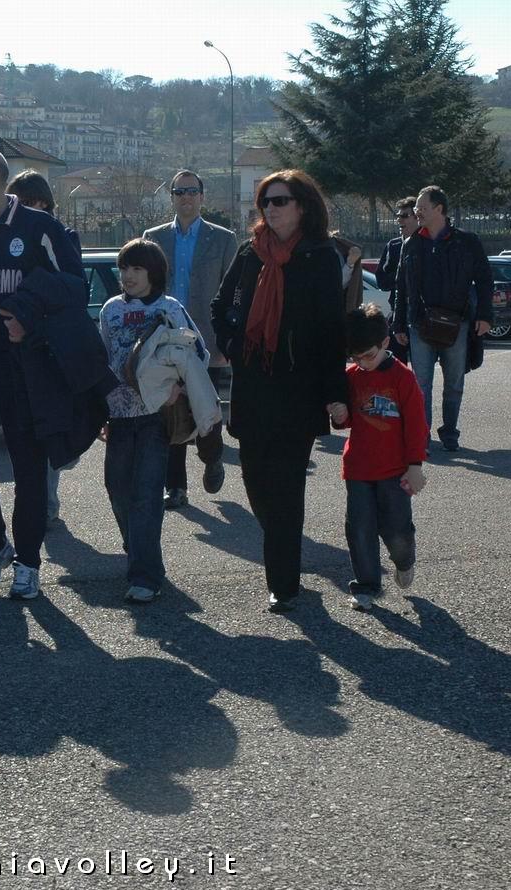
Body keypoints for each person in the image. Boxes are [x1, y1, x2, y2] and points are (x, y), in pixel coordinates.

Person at [0, 146, 84, 599]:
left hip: (28, 369)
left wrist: (30, 318)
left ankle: (27, 561)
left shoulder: (39, 229)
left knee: (29, 467)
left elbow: (75, 288)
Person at [211, 169, 348, 613]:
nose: (271, 208)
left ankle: (283, 583)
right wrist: (233, 345)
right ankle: (283, 552)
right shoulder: (252, 253)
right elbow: (220, 304)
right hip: (253, 385)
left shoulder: (322, 257)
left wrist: (336, 392)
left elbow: (331, 332)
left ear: (303, 206)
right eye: (265, 201)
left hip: (297, 387)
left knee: (287, 487)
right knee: (255, 482)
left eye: (280, 200)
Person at [99, 238, 214, 603]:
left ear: (154, 272)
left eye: (137, 268)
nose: (128, 275)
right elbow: (101, 358)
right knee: (117, 490)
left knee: (147, 496)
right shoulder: (110, 310)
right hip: (117, 416)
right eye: (124, 268)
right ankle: (138, 551)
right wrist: (100, 409)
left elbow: (198, 353)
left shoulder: (170, 308)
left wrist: (178, 388)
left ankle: (146, 575)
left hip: (155, 418)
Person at [142, 171, 236, 510]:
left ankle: (212, 458)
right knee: (171, 413)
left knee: (206, 413)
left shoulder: (223, 239)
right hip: (166, 343)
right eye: (179, 191)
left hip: (206, 343)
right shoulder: (152, 238)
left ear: (202, 197)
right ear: (171, 196)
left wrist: (226, 342)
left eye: (191, 191)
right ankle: (176, 487)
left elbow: (232, 296)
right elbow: (144, 289)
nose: (186, 197)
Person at [327, 304, 427, 612]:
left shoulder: (403, 379)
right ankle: (367, 585)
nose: (362, 363)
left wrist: (415, 466)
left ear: (384, 343)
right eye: (355, 357)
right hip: (358, 468)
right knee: (358, 528)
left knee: (397, 529)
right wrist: (339, 415)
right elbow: (345, 419)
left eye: (368, 355)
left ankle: (404, 559)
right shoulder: (352, 376)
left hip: (395, 471)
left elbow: (416, 425)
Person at [392, 185, 493, 452]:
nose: (417, 213)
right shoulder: (411, 243)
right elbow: (401, 286)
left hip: (457, 324)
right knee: (420, 386)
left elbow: (484, 280)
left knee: (454, 384)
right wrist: (398, 323)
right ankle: (421, 436)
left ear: (439, 209)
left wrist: (484, 316)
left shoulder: (467, 242)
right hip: (419, 324)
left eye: (422, 208)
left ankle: (450, 433)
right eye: (416, 209)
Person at [6, 169, 77, 525]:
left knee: (52, 429)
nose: (25, 210)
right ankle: (42, 505)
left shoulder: (62, 237)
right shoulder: (6, 237)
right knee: (31, 434)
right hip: (18, 345)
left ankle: (46, 504)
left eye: (31, 203)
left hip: (52, 345)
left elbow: (73, 289)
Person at [375, 197, 418, 333]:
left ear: (418, 217)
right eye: (398, 215)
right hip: (399, 314)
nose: (399, 220)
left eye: (404, 216)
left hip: (423, 315)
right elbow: (382, 282)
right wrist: (403, 274)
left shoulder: (430, 244)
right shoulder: (394, 245)